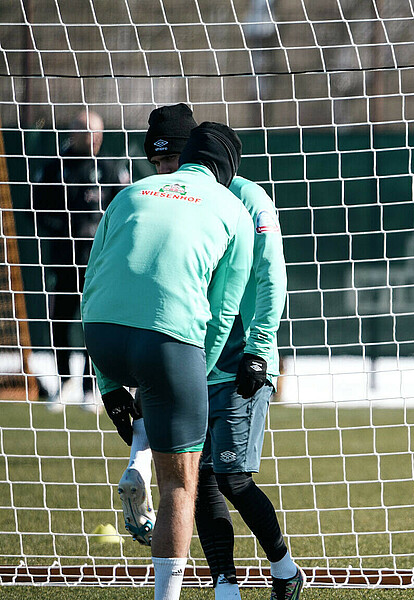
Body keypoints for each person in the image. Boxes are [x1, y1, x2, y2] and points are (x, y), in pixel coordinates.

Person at [132, 103, 304, 600]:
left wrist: (260, 348)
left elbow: (272, 278)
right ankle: (224, 586)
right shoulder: (161, 198)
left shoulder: (249, 199)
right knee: (197, 476)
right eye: (156, 164)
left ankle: (286, 569)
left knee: (231, 475)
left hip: (241, 357)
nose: (164, 173)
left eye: (171, 160)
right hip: (189, 355)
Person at [82, 121, 254, 600]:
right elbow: (221, 314)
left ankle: (139, 441)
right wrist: (195, 377)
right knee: (179, 486)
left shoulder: (131, 192)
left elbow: (92, 280)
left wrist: (108, 381)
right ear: (227, 168)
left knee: (154, 431)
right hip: (168, 340)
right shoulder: (235, 209)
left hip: (102, 334)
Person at [31, 109, 129, 404]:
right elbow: (35, 209)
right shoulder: (55, 167)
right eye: (88, 131)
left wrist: (99, 233)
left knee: (95, 324)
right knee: (60, 322)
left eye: (98, 131)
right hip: (63, 261)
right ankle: (63, 383)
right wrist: (67, 229)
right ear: (73, 133)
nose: (95, 138)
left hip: (98, 265)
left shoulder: (111, 166)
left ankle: (91, 388)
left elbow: (124, 209)